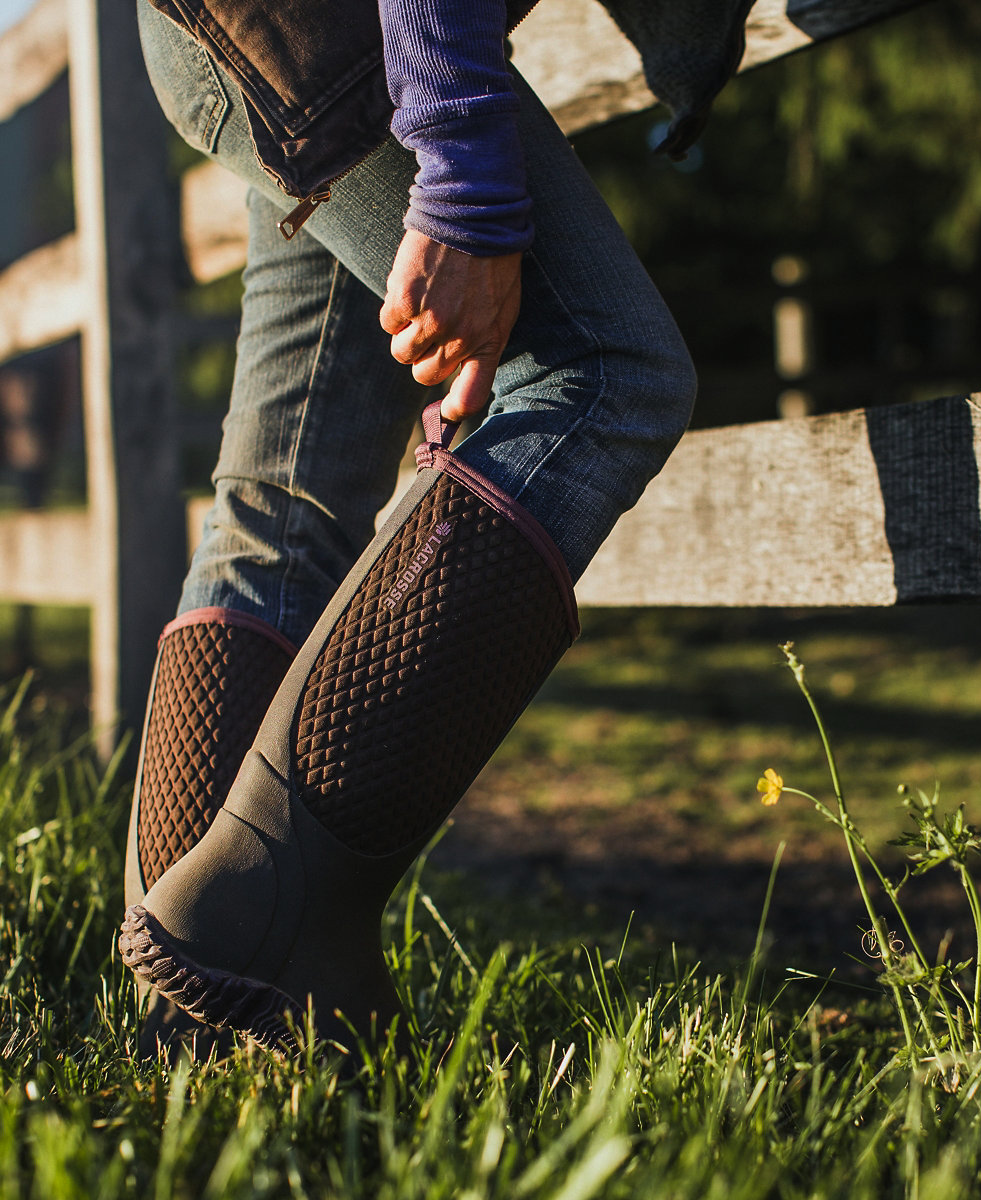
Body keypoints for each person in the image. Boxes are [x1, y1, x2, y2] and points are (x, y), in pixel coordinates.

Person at [118, 0, 738, 1053]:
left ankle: (186, 1017)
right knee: (604, 376)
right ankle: (258, 924)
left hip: (245, 35)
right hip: (330, 36)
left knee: (278, 499)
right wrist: (464, 188)